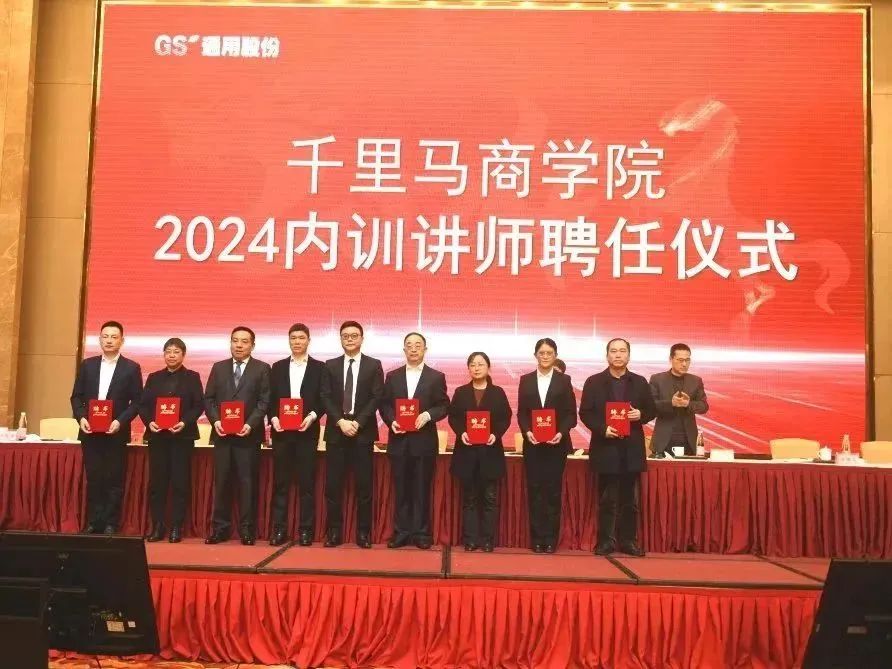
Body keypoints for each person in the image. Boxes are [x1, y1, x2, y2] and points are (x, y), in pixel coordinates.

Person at [579, 338, 656, 557]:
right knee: (607, 499)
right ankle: (605, 541)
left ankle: (629, 541)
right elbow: (585, 413)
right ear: (607, 355)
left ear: (628, 355)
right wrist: (602, 429)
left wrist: (641, 414)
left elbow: (651, 410)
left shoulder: (640, 382)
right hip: (606, 448)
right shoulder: (594, 382)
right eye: (613, 351)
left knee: (630, 501)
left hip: (631, 450)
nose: (618, 355)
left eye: (622, 351)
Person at [70, 321, 143, 535]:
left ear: (122, 340)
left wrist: (120, 421)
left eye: (114, 337)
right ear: (99, 339)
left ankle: (111, 522)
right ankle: (94, 521)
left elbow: (138, 402)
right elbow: (76, 397)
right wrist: (81, 418)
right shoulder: (88, 365)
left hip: (115, 432)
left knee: (113, 479)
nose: (109, 340)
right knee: (94, 478)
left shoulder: (131, 368)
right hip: (90, 432)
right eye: (105, 336)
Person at [379, 333, 449, 549]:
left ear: (425, 349)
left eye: (418, 345)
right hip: (399, 441)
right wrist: (392, 421)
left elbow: (443, 405)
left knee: (421, 489)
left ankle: (421, 533)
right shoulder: (392, 376)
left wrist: (427, 415)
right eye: (409, 345)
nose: (413, 349)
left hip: (423, 442)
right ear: (404, 350)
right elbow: (385, 404)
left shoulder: (436, 377)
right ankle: (401, 533)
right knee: (401, 489)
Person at [319, 321, 384, 548]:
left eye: (354, 335)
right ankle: (334, 532)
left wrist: (357, 422)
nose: (349, 339)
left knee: (364, 487)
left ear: (362, 339)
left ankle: (363, 533)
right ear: (340, 339)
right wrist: (340, 421)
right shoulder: (330, 365)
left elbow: (376, 397)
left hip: (362, 432)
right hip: (336, 432)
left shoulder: (374, 365)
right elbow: (325, 396)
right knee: (333, 486)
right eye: (345, 335)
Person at [204, 327, 271, 545]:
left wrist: (250, 424)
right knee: (222, 483)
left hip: (248, 437)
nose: (239, 345)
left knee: (247, 484)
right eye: (235, 341)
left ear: (253, 345)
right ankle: (220, 529)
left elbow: (264, 401)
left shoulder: (262, 368)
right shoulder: (219, 367)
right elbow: (209, 399)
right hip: (222, 435)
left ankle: (247, 530)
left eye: (244, 341)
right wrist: (216, 421)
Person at [137, 338, 204, 543]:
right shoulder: (154, 378)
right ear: (164, 354)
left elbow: (198, 405)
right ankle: (157, 526)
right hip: (158, 437)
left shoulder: (192, 377)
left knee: (179, 483)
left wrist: (184, 422)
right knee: (157, 484)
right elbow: (143, 405)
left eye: (176, 352)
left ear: (183, 355)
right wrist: (149, 422)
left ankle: (176, 527)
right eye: (168, 351)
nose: (172, 355)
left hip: (181, 437)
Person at [516, 338, 578, 553]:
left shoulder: (564, 380)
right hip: (533, 445)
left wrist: (561, 432)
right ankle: (537, 539)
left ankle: (550, 539)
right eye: (541, 353)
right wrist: (527, 431)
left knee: (552, 492)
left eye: (549, 353)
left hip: (556, 445)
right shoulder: (525, 380)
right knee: (534, 491)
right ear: (535, 355)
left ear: (555, 356)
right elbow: (522, 413)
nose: (545, 356)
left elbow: (570, 414)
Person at [448, 352, 512, 552]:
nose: (476, 368)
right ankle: (470, 539)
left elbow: (505, 417)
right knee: (469, 499)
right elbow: (453, 417)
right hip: (466, 453)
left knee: (489, 499)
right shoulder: (461, 392)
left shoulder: (498, 393)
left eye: (480, 364)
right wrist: (461, 432)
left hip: (490, 453)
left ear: (488, 368)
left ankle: (487, 540)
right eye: (473, 364)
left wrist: (496, 434)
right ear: (468, 368)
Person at [267, 323, 325, 547]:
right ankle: (279, 529)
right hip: (281, 433)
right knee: (280, 483)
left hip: (306, 433)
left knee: (306, 485)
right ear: (289, 341)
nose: (297, 342)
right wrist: (274, 418)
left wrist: (311, 417)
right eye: (293, 338)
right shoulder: (277, 367)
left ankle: (306, 530)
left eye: (301, 338)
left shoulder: (320, 368)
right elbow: (270, 398)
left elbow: (323, 399)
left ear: (308, 340)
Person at [649, 343, 709, 457]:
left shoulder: (695, 381)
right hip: (663, 440)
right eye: (680, 360)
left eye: (687, 360)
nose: (684, 364)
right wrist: (671, 403)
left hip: (689, 440)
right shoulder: (657, 379)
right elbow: (650, 406)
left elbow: (704, 406)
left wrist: (688, 404)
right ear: (671, 359)